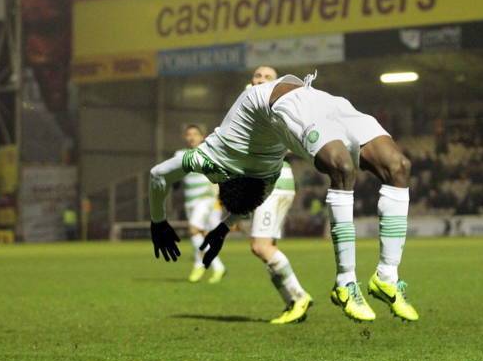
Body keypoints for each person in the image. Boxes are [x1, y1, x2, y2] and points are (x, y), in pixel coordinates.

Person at [149, 71, 419, 323]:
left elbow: (158, 175)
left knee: (399, 167)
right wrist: (221, 227)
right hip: (292, 106)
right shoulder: (266, 178)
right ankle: (346, 282)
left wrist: (158, 222)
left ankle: (387, 276)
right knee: (343, 167)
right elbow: (247, 202)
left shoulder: (209, 156)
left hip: (311, 98)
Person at [246, 65, 313, 325]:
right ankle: (292, 302)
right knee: (267, 248)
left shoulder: (277, 109)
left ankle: (298, 297)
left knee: (260, 246)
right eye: (258, 75)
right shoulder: (253, 107)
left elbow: (297, 140)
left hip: (273, 181)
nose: (261, 79)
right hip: (263, 182)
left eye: (268, 77)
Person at [177, 125, 227, 284]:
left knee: (193, 229)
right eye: (189, 134)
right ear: (185, 137)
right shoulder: (180, 154)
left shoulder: (210, 153)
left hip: (205, 199)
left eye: (195, 134)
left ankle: (199, 264)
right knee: (202, 234)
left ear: (202, 136)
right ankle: (218, 267)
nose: (192, 137)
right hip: (190, 201)